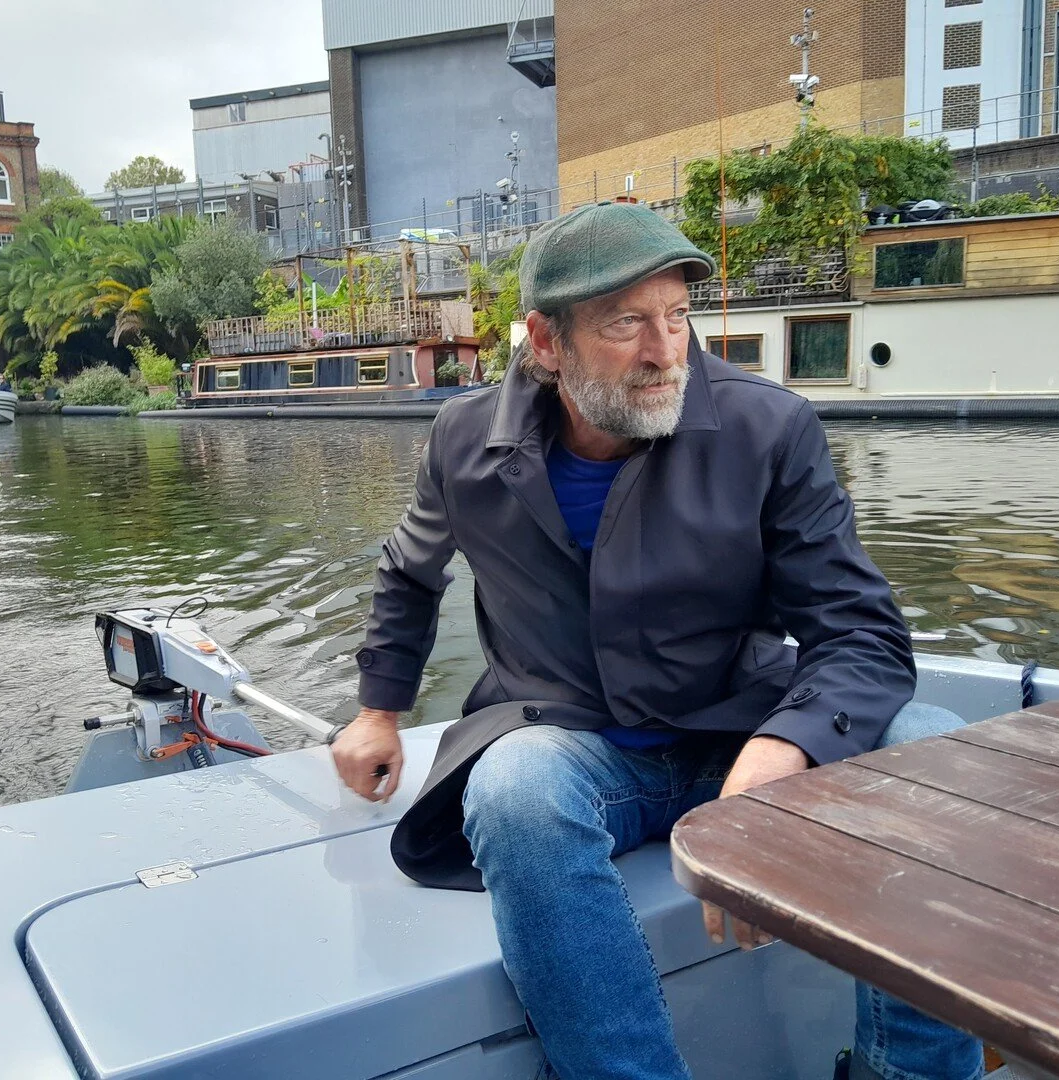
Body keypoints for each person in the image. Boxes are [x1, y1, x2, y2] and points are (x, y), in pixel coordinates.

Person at [332, 201, 985, 1080]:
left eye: (677, 316)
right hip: (577, 746)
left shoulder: (770, 429)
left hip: (737, 731)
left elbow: (860, 633)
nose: (666, 350)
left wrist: (782, 750)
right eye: (627, 323)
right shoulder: (463, 442)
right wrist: (378, 711)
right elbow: (410, 574)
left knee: (930, 749)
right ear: (547, 342)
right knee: (515, 789)